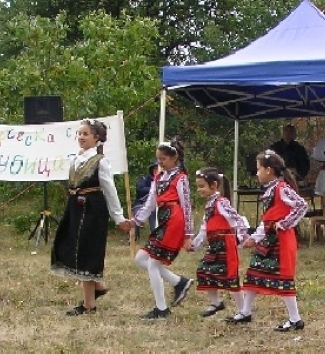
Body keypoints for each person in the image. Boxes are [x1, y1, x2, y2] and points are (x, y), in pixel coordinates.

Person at [225, 150, 308, 332]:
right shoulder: (271, 190)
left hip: (281, 240)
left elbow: (302, 205)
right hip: (268, 240)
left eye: (258, 169)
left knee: (283, 277)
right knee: (254, 272)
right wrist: (254, 239)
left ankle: (295, 319)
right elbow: (267, 220)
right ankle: (245, 311)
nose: (257, 173)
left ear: (269, 170)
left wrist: (285, 223)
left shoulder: (282, 188)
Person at [51, 119, 128, 316]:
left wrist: (118, 217)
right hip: (76, 207)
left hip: (92, 209)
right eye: (79, 134)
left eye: (86, 134)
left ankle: (88, 305)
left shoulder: (100, 161)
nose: (81, 137)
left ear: (97, 138)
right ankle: (99, 287)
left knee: (86, 252)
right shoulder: (77, 158)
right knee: (72, 247)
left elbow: (109, 190)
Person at [120, 140, 194, 320]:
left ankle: (161, 308)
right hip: (164, 220)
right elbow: (150, 203)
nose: (160, 162)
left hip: (175, 220)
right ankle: (178, 282)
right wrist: (135, 221)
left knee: (153, 263)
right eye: (158, 159)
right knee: (140, 259)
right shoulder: (159, 178)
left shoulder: (180, 178)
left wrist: (188, 234)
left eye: (163, 159)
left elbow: (186, 206)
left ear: (174, 158)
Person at [190, 167, 251, 318]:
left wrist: (245, 237)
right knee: (204, 270)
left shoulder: (221, 202)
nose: (199, 189)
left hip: (226, 244)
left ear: (214, 185)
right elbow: (205, 227)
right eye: (198, 186)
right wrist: (195, 243)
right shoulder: (209, 205)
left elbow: (237, 218)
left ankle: (243, 311)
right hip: (214, 245)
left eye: (202, 186)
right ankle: (216, 302)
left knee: (231, 277)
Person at [132, 160, 160, 239]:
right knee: (137, 214)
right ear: (151, 170)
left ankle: (154, 236)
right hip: (141, 203)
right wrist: (153, 188)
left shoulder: (164, 180)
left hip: (155, 205)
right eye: (155, 169)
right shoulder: (144, 179)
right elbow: (139, 189)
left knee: (154, 214)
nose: (156, 171)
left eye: (158, 169)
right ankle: (133, 237)